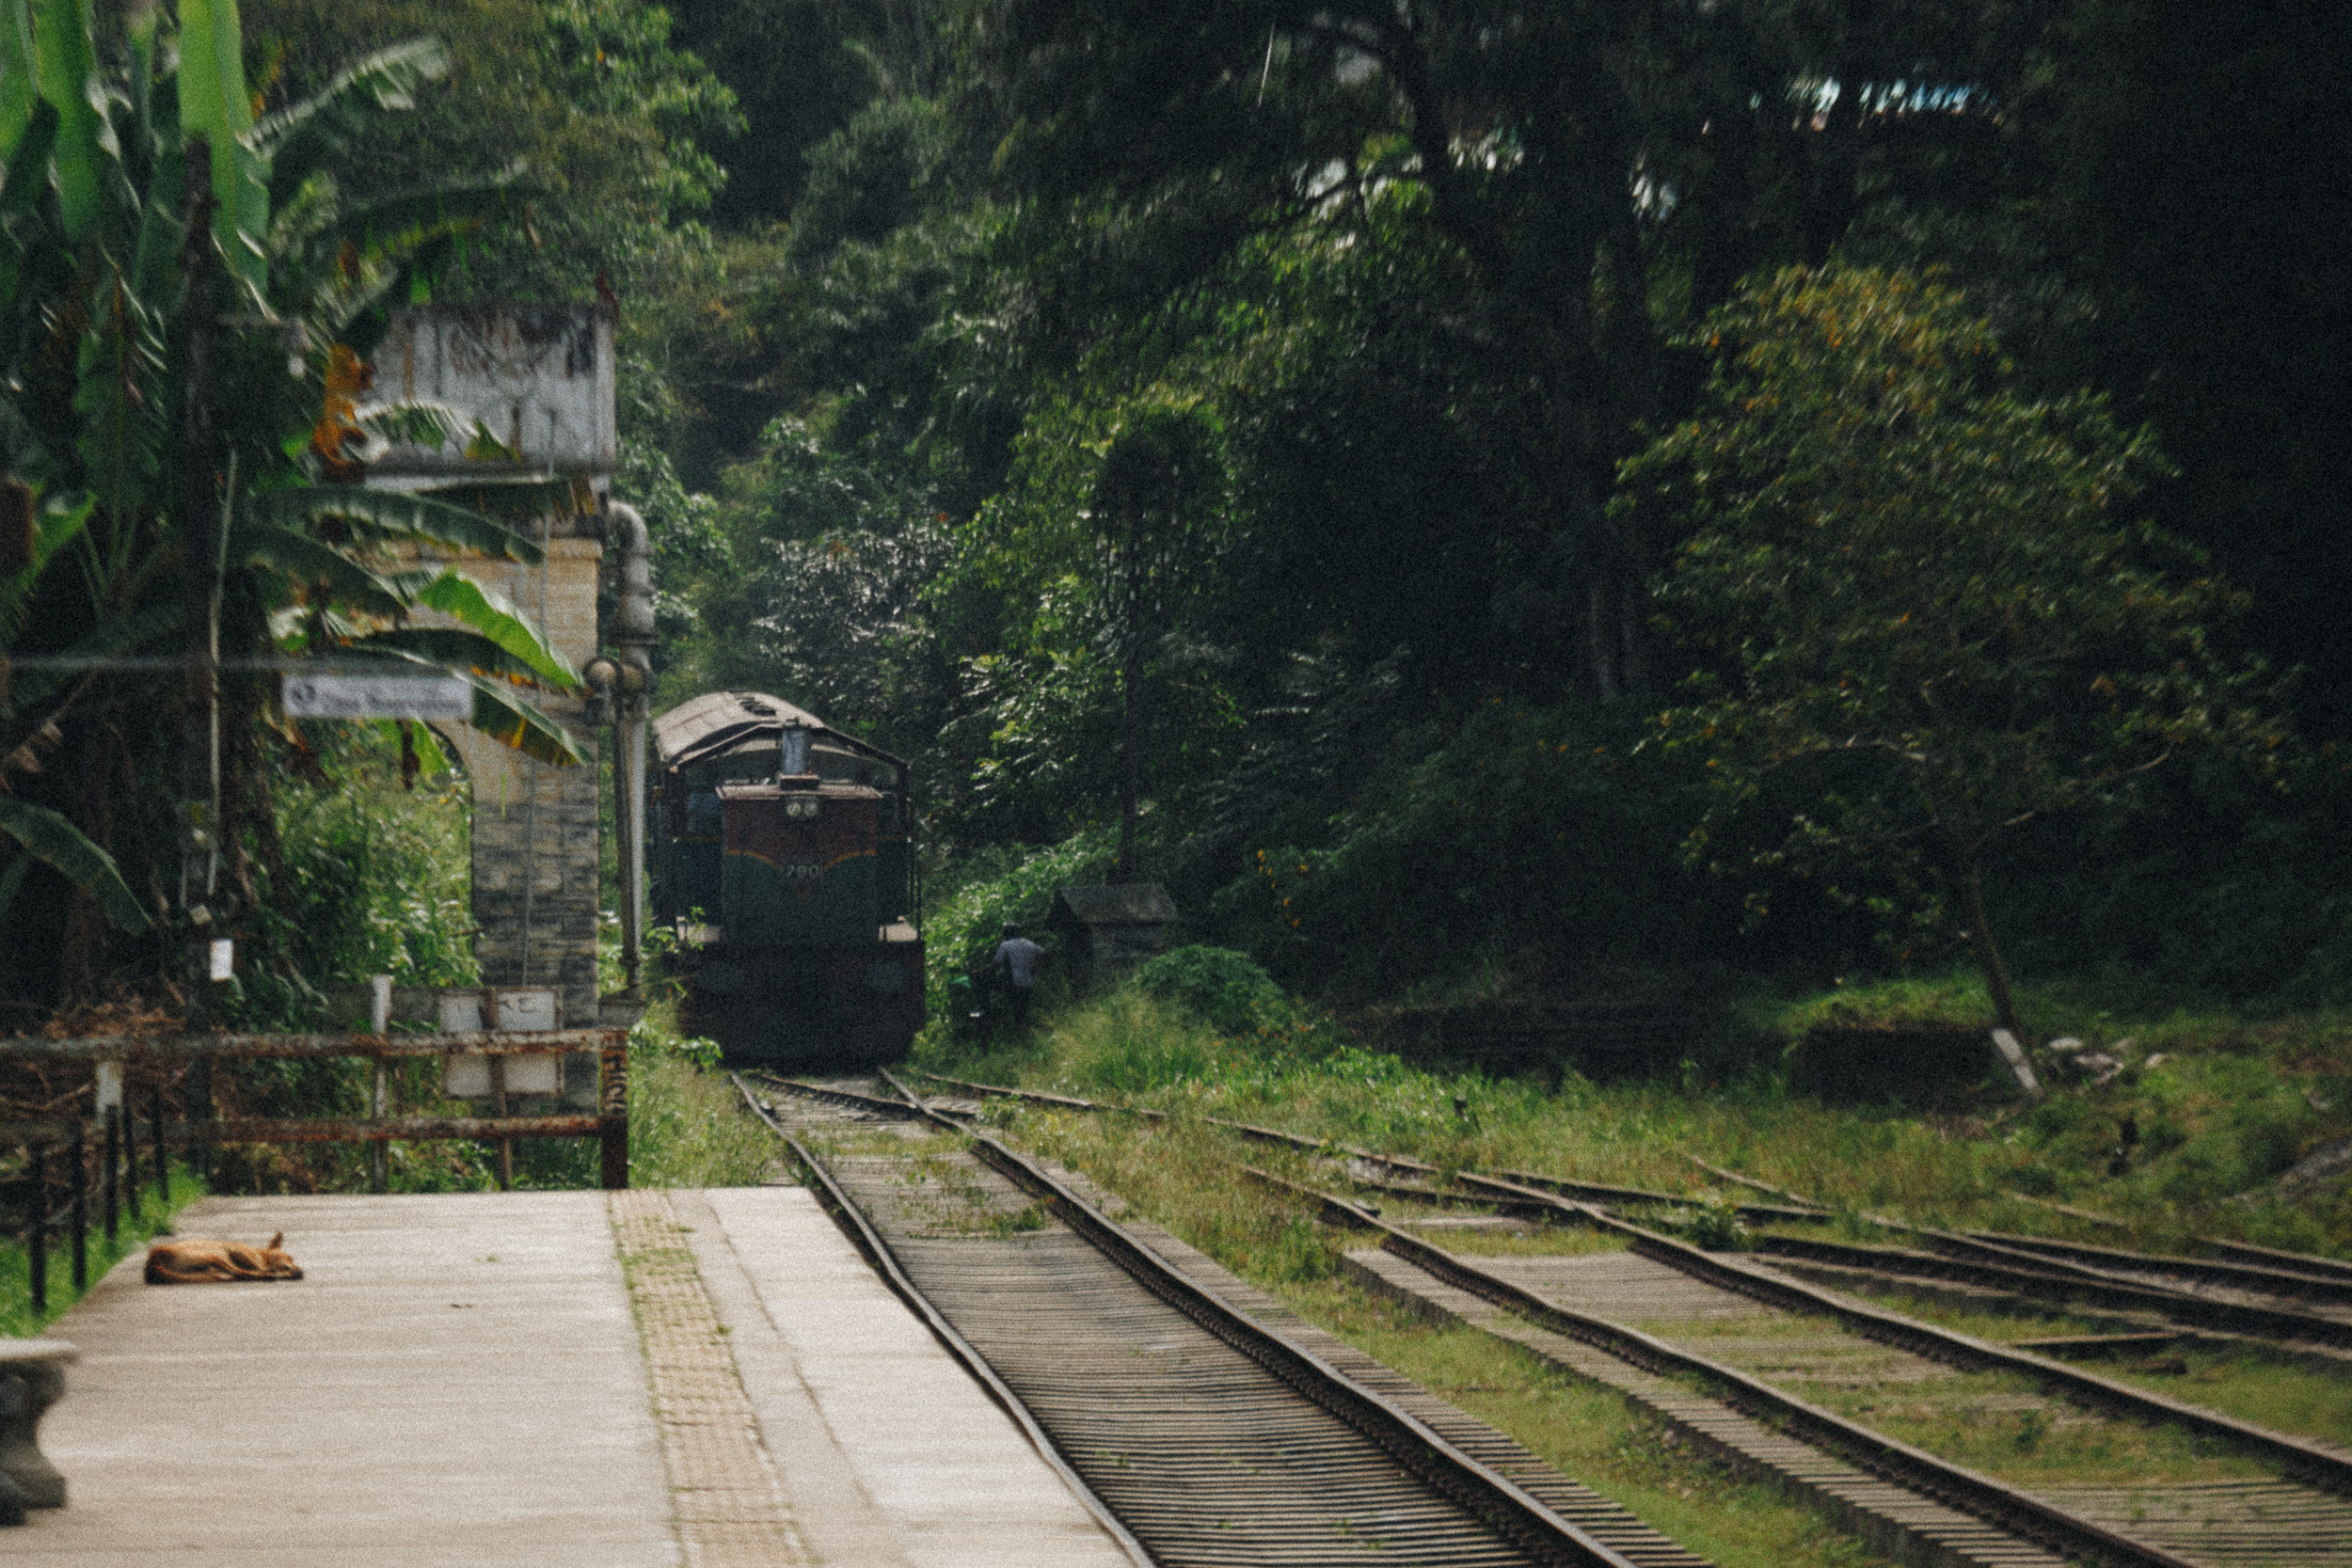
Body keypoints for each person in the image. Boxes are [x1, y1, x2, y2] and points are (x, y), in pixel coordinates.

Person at [990, 923, 1046, 1027]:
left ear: (1007, 933)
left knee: (1014, 1006)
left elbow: (996, 964)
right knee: (1022, 1008)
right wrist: (1036, 967)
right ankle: (1024, 1030)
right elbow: (1044, 954)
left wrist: (983, 972)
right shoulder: (1029, 944)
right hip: (1028, 980)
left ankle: (1000, 1020)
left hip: (1013, 981)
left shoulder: (1006, 945)